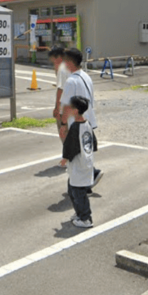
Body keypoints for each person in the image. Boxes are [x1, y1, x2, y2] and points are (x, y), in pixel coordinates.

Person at [60, 48, 102, 187]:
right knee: (86, 154)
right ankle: (89, 179)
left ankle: (78, 188)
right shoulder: (86, 76)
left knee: (74, 157)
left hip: (75, 125)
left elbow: (66, 105)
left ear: (70, 62)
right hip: (87, 122)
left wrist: (63, 124)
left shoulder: (71, 81)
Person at [60, 95, 95, 228]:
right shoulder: (87, 124)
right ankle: (80, 213)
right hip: (86, 162)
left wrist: (65, 159)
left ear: (75, 111)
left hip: (78, 164)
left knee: (78, 192)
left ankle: (86, 218)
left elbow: (70, 146)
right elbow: (93, 142)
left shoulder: (75, 127)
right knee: (72, 189)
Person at [49, 47, 71, 144]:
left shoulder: (62, 70)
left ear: (59, 58)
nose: (54, 66)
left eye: (54, 62)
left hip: (65, 108)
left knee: (65, 135)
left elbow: (60, 90)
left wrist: (57, 108)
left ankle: (69, 156)